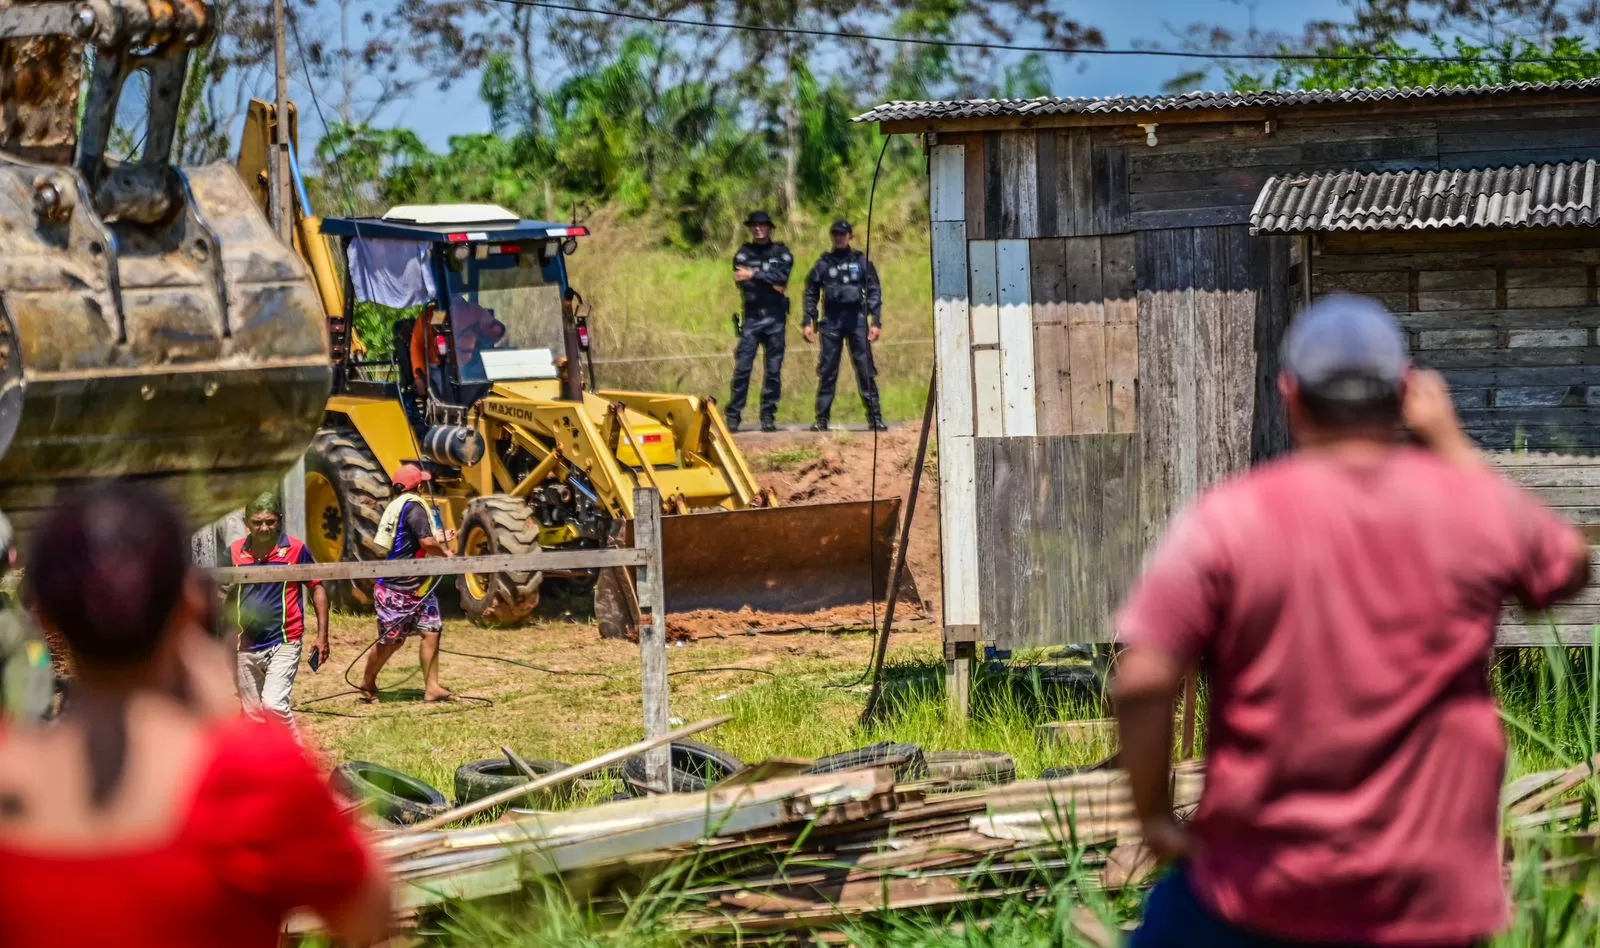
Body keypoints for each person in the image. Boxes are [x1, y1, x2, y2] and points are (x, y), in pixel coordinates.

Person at [1115, 294, 1591, 948]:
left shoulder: (1229, 519)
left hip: (1265, 888)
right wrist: (1450, 443)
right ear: (1404, 394)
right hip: (1430, 898)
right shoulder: (1468, 509)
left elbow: (1142, 681)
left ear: (1290, 396)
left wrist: (1156, 819)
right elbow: (1563, 566)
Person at [0, 483, 390, 947]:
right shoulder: (255, 772)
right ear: (189, 605)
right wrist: (218, 716)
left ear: (45, 616)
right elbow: (370, 917)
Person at [226, 491, 329, 737]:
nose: (264, 528)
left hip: (284, 639)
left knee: (273, 707)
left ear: (279, 520)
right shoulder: (234, 553)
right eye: (257, 522)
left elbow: (317, 588)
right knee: (252, 715)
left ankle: (298, 766)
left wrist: (322, 635)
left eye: (270, 522)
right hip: (245, 644)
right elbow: (221, 595)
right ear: (246, 521)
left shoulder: (295, 550)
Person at [358, 463, 456, 704]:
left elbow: (411, 540)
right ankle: (367, 683)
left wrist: (440, 538)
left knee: (432, 631)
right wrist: (446, 553)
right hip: (397, 587)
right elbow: (425, 543)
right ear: (420, 486)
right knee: (391, 641)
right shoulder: (415, 507)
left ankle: (432, 687)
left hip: (418, 586)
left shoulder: (398, 507)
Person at [802, 219, 887, 432]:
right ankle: (821, 419)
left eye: (843, 234)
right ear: (832, 237)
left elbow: (875, 290)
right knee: (828, 370)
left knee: (865, 367)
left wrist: (875, 321)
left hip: (856, 319)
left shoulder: (861, 262)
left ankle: (875, 418)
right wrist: (808, 321)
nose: (839, 237)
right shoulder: (824, 263)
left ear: (850, 236)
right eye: (836, 234)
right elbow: (811, 293)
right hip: (831, 320)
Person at [728, 210, 793, 432]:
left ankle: (768, 416)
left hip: (775, 318)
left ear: (769, 228)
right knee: (743, 368)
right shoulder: (743, 253)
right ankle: (734, 416)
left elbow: (781, 284)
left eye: (762, 225)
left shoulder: (781, 252)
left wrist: (755, 275)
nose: (758, 228)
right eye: (754, 225)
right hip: (752, 318)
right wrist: (767, 277)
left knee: (773, 370)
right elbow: (740, 279)